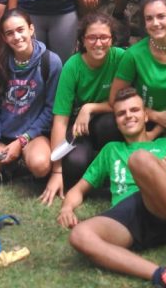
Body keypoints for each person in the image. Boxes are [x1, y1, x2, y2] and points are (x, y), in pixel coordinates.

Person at [58, 88, 166, 288]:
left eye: (134, 110)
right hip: (130, 216)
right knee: (79, 235)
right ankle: (163, 275)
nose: (128, 116)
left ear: (146, 116)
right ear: (117, 122)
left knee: (139, 159)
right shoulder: (111, 150)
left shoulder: (165, 144)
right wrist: (67, 208)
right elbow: (78, 189)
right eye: (121, 113)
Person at [0, 9, 61, 192]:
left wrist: (22, 141)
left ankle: (20, 162)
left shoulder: (50, 62)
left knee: (41, 166)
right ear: (4, 38)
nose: (17, 37)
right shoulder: (0, 64)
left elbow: (50, 110)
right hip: (3, 136)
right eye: (10, 33)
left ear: (31, 29)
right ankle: (8, 167)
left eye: (20, 30)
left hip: (33, 136)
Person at [41, 12, 126, 204]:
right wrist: (56, 171)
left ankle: (112, 170)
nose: (98, 43)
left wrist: (90, 108)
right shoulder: (73, 66)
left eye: (104, 37)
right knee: (75, 163)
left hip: (104, 120)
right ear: (83, 41)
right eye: (92, 37)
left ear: (112, 39)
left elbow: (127, 102)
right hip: (79, 127)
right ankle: (93, 174)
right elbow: (60, 120)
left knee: (112, 123)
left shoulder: (121, 58)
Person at [109, 0, 166, 136]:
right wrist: (155, 115)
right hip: (141, 120)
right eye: (149, 19)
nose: (155, 23)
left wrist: (158, 129)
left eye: (161, 16)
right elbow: (114, 99)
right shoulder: (133, 55)